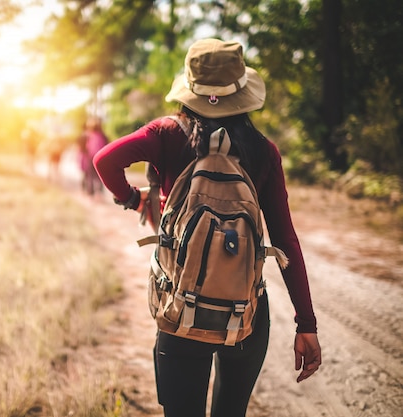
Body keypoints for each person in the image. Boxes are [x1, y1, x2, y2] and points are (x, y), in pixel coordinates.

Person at [93, 38, 321, 417]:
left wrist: (133, 200)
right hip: (245, 312)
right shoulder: (263, 151)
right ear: (242, 91)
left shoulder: (166, 133)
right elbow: (286, 241)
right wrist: (306, 323)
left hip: (180, 308)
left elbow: (104, 160)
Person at [78, 116, 109, 195]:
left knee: (90, 175)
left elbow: (85, 147)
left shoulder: (89, 136)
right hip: (101, 157)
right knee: (99, 175)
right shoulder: (103, 136)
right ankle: (98, 192)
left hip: (91, 157)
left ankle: (91, 192)